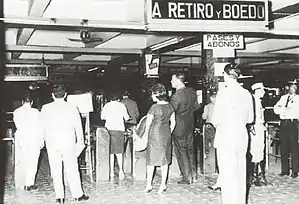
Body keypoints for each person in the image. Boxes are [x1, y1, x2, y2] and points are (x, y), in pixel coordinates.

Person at [212, 63, 254, 204]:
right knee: (240, 172)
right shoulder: (246, 93)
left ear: (225, 75)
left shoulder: (223, 92)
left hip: (226, 134)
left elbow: (215, 119)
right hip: (241, 135)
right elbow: (250, 119)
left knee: (227, 174)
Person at [40, 85, 88, 204]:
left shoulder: (45, 108)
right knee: (72, 169)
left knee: (56, 170)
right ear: (65, 95)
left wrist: (42, 140)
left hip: (52, 143)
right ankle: (77, 195)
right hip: (68, 143)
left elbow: (41, 127)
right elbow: (78, 127)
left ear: (52, 95)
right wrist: (80, 142)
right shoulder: (72, 107)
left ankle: (60, 197)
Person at [143, 84, 176, 193]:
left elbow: (148, 123)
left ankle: (149, 185)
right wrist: (168, 132)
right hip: (166, 135)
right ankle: (163, 185)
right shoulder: (170, 106)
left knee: (151, 160)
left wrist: (145, 135)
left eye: (152, 94)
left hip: (154, 135)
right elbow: (173, 123)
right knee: (164, 160)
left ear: (157, 95)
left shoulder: (154, 107)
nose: (152, 96)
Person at [170, 73, 200, 184]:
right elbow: (196, 107)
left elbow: (171, 111)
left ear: (179, 80)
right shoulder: (191, 91)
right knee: (190, 150)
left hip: (179, 127)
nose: (171, 81)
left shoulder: (176, 95)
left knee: (181, 152)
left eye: (173, 79)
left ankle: (187, 177)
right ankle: (193, 174)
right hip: (190, 124)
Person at [13, 92, 43, 191]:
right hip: (32, 137)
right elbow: (39, 127)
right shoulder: (36, 112)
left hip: (20, 136)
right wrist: (41, 139)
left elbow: (16, 124)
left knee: (20, 160)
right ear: (32, 102)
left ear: (22, 102)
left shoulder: (16, 112)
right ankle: (29, 183)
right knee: (32, 161)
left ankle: (19, 182)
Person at [101, 92, 130, 180]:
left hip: (109, 130)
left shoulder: (106, 106)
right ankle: (121, 171)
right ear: (118, 99)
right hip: (119, 130)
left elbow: (103, 117)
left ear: (110, 98)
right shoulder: (122, 106)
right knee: (119, 152)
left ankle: (111, 173)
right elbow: (127, 117)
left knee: (110, 152)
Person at [274, 84, 299, 178]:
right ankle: (285, 170)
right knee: (284, 147)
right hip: (283, 123)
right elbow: (276, 109)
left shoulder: (298, 99)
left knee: (294, 147)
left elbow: (296, 112)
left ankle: (295, 171)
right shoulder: (283, 98)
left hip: (293, 123)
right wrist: (285, 110)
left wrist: (284, 110)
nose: (291, 89)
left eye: (294, 88)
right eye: (291, 87)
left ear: (296, 89)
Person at [249, 82, 271, 186]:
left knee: (259, 151)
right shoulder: (252, 101)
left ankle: (259, 176)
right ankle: (254, 177)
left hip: (259, 127)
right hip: (255, 128)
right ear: (257, 91)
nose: (264, 92)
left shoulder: (258, 101)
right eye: (262, 90)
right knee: (255, 151)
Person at [202, 92, 220, 190]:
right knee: (217, 147)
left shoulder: (207, 106)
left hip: (210, 127)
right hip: (219, 128)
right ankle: (217, 167)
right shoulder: (221, 107)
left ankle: (209, 166)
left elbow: (204, 117)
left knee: (208, 147)